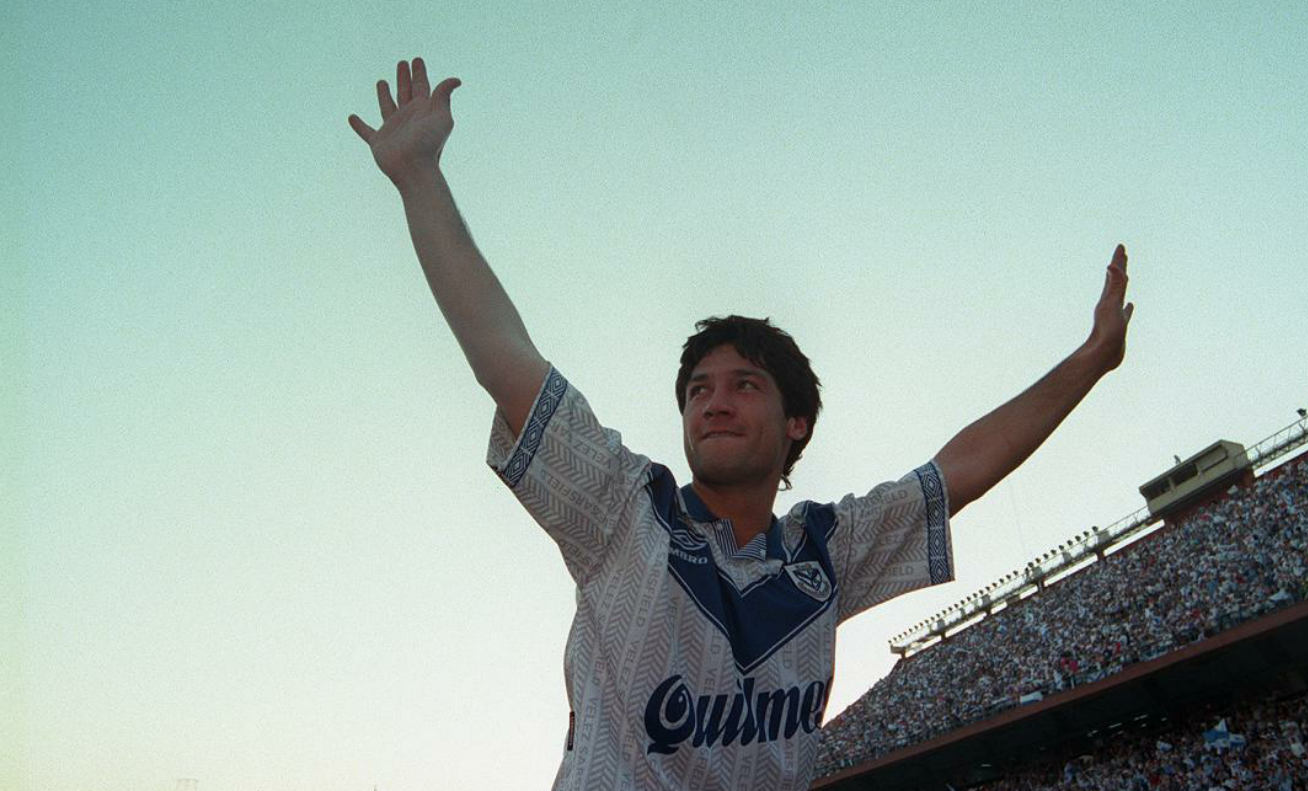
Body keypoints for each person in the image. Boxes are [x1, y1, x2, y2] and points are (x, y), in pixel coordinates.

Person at [350, 57, 1135, 791]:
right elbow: (504, 356)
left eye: (743, 385)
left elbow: (958, 472)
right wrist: (420, 179)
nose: (713, 401)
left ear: (797, 422)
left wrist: (1091, 361)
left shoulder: (826, 551)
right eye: (698, 389)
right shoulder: (624, 511)